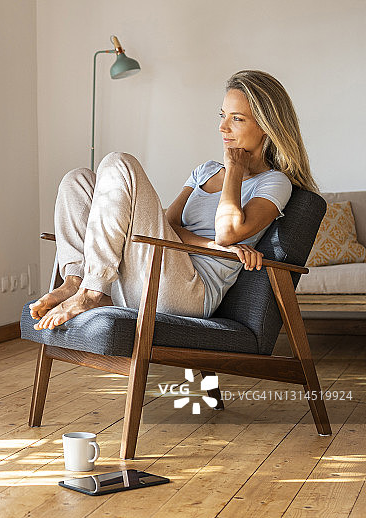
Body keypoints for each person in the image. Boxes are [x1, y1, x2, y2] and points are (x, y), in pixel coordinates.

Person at [32, 69, 318, 330]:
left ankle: (92, 290)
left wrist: (234, 169)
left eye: (237, 119)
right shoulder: (205, 171)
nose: (223, 127)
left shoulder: (274, 182)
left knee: (119, 163)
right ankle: (76, 280)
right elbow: (166, 229)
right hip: (150, 273)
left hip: (190, 292)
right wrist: (214, 245)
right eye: (222, 116)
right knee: (77, 180)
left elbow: (228, 232)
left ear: (267, 127)